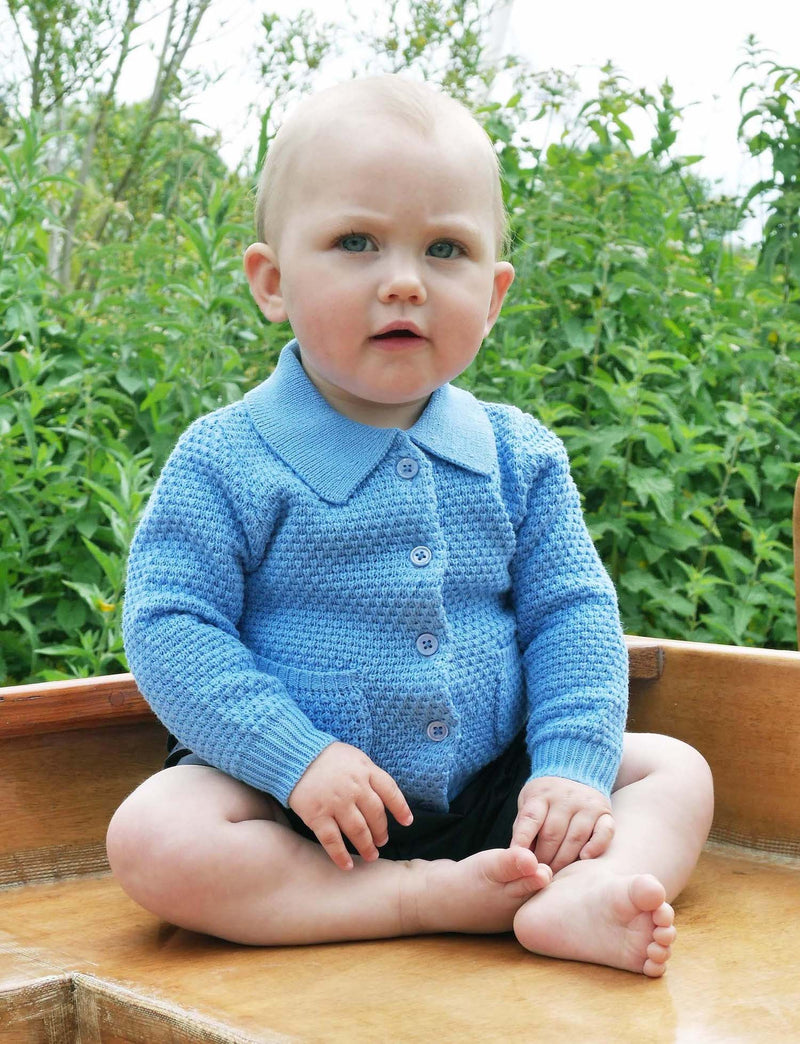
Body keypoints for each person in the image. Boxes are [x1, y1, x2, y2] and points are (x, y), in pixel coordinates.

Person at [106, 75, 714, 977]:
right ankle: (412, 897)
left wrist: (571, 772)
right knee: (155, 834)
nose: (403, 281)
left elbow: (572, 616)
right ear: (271, 282)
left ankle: (585, 893)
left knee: (674, 772)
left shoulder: (519, 456)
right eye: (356, 242)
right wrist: (295, 757)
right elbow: (171, 627)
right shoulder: (229, 459)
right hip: (299, 803)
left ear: (495, 294)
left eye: (445, 248)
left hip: (498, 789)